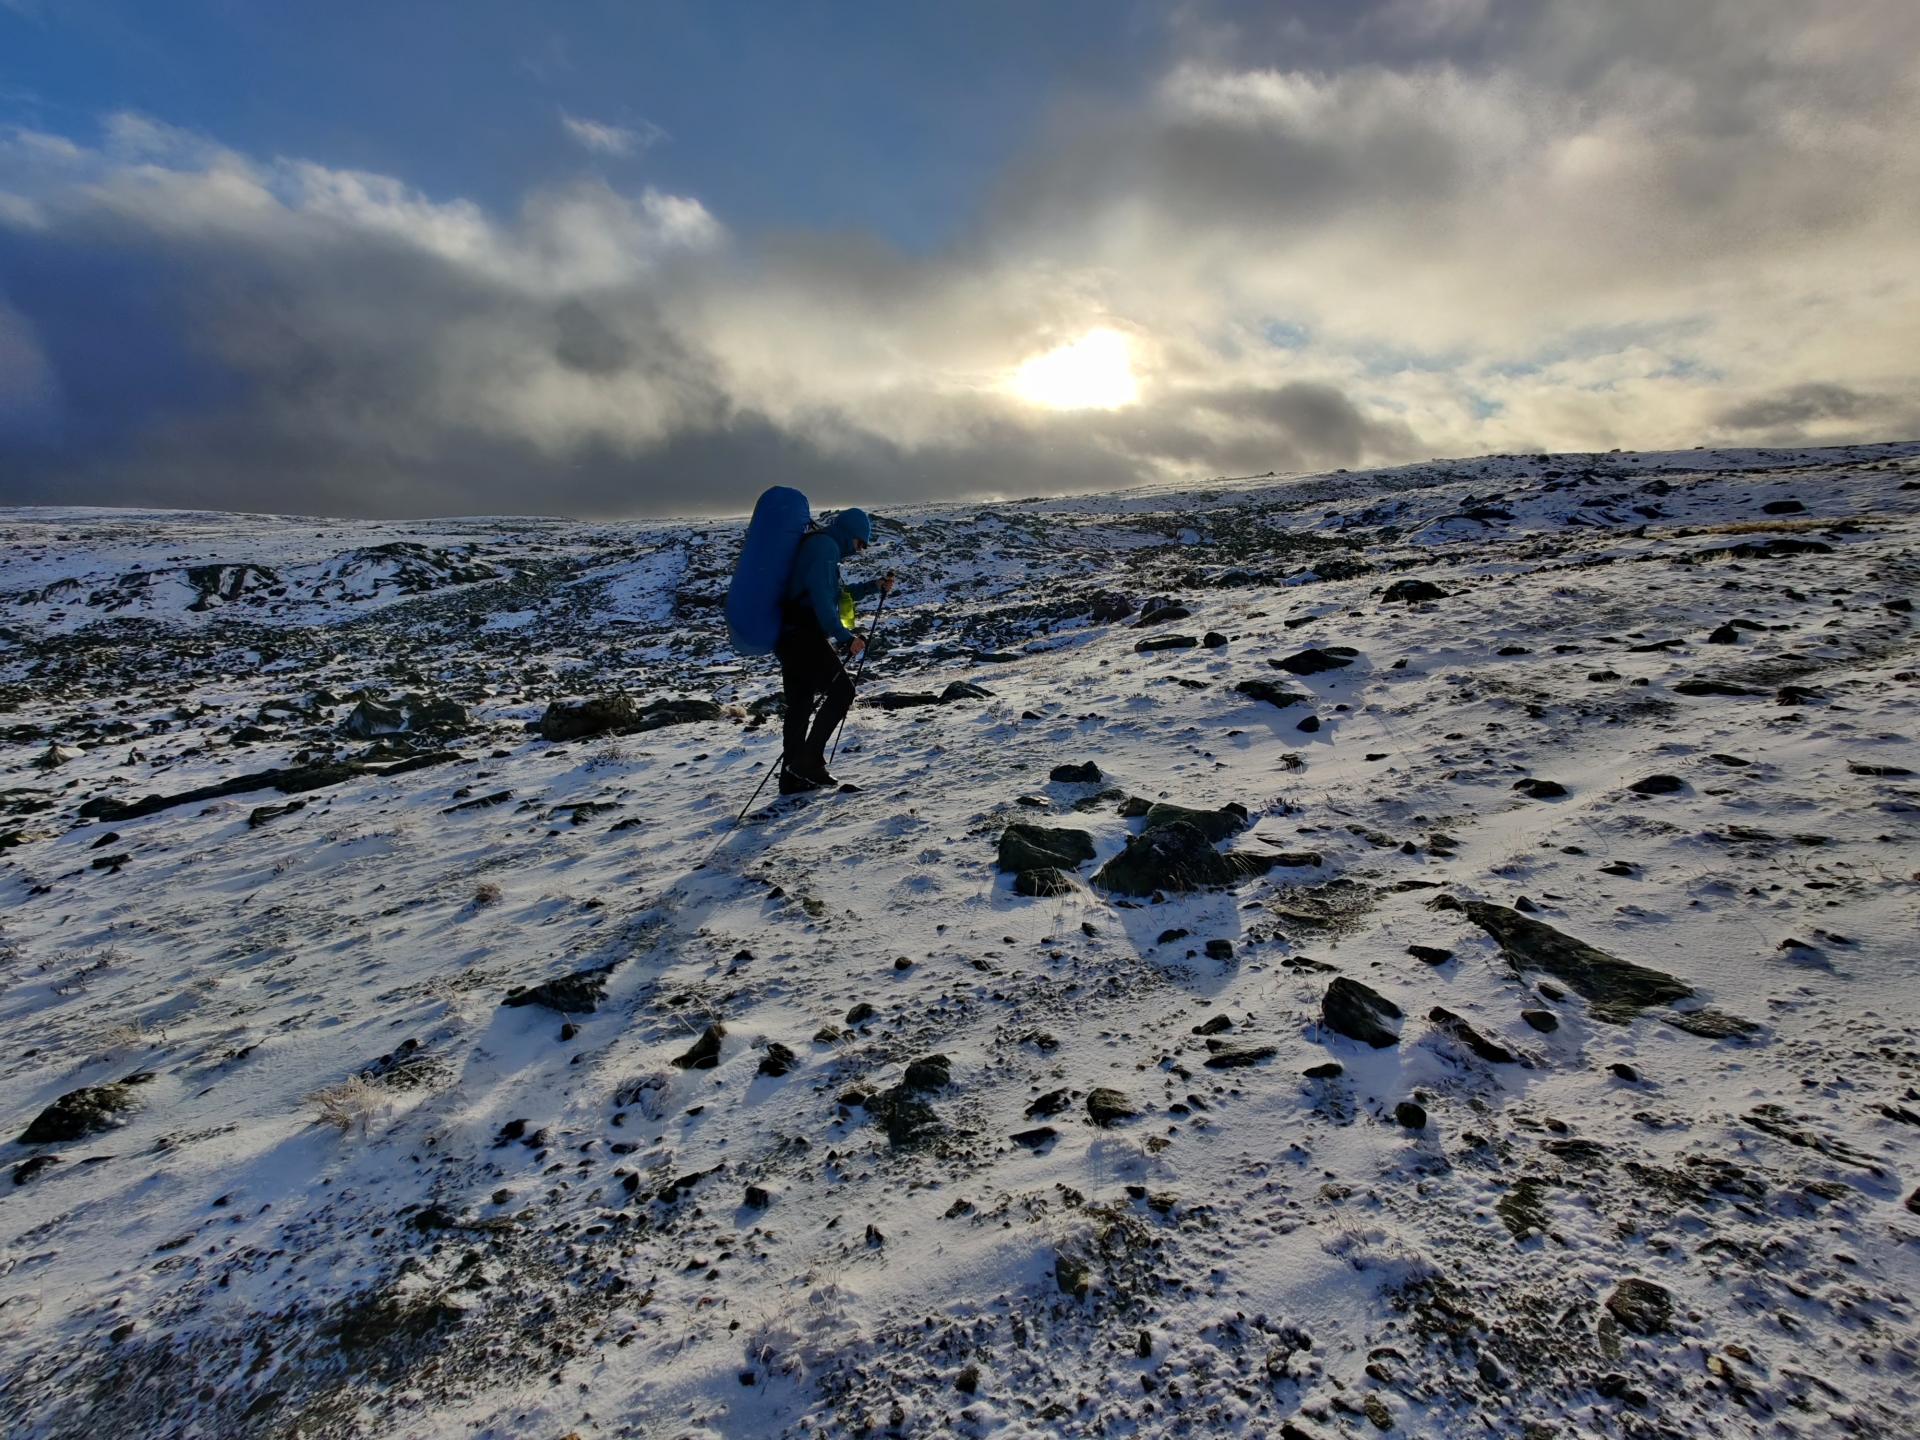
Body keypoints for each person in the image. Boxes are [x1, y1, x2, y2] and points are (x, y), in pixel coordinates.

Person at [775, 507, 895, 794]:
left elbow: (836, 595)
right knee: (843, 692)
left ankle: (792, 778)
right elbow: (819, 599)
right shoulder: (824, 547)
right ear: (851, 534)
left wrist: (873, 586)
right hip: (803, 635)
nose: (859, 551)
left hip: (789, 635)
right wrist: (845, 637)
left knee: (800, 707)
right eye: (860, 544)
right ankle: (808, 761)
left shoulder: (822, 547)